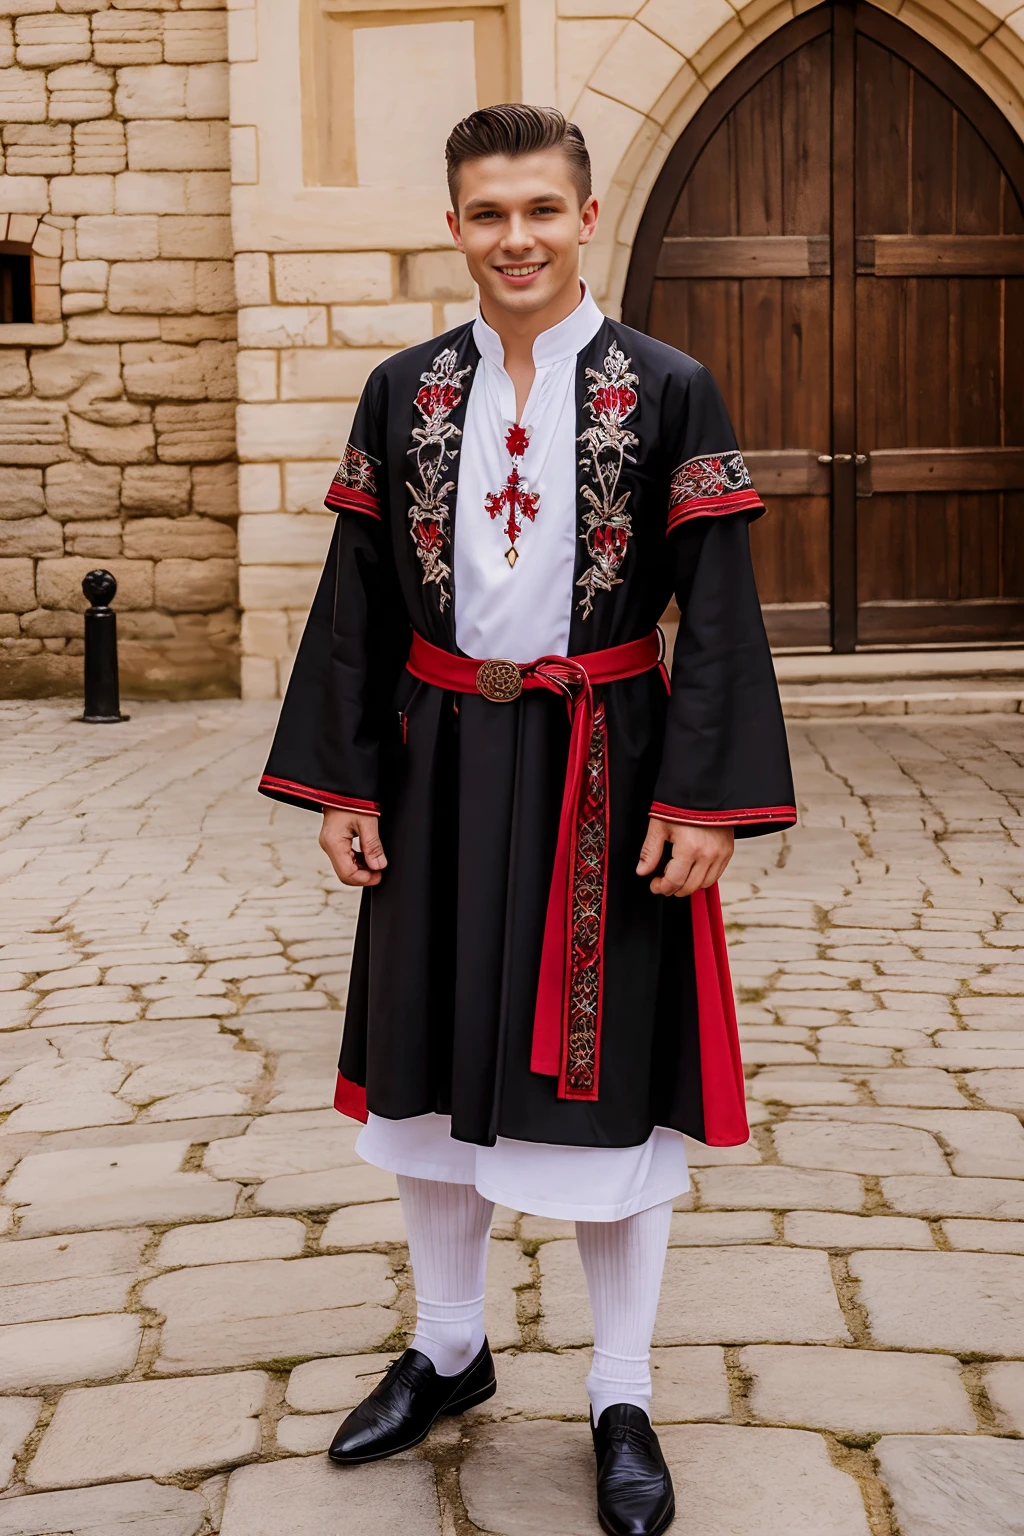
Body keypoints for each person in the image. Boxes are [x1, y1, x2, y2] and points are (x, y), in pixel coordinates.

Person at [259, 103, 795, 1536]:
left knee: (609, 1087)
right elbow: (358, 596)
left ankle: (621, 1389)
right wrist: (345, 781)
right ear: (454, 225)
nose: (516, 239)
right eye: (488, 214)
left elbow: (723, 614)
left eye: (541, 211)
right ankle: (447, 1349)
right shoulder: (403, 391)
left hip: (602, 772)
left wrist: (704, 796)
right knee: (429, 1077)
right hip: (434, 761)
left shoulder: (669, 388)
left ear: (586, 217)